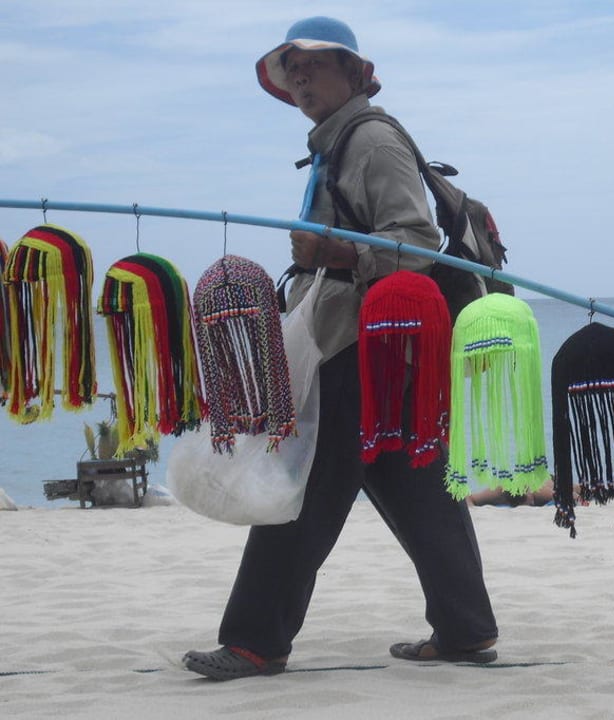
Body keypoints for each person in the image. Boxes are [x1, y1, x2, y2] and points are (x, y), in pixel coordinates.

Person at [182, 16, 498, 680]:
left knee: (303, 485)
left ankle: (254, 641)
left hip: (359, 341)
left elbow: (414, 244)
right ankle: (465, 629)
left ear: (354, 74)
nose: (300, 80)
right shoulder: (337, 144)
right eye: (291, 71)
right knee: (413, 482)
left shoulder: (371, 139)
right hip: (377, 342)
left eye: (314, 67)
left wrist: (332, 251)